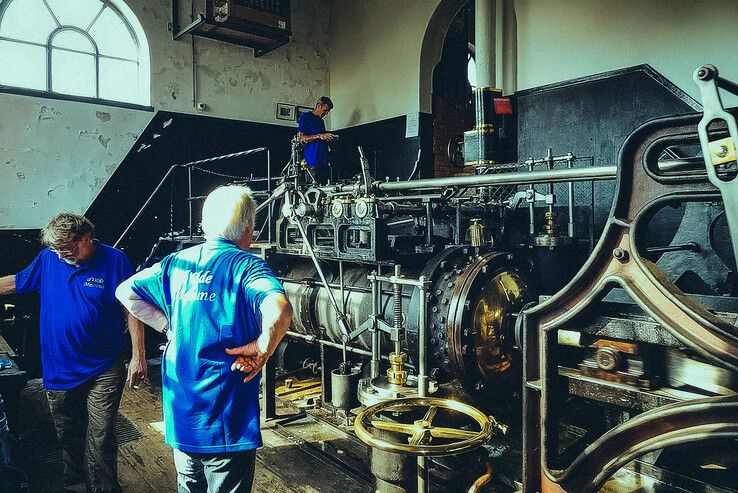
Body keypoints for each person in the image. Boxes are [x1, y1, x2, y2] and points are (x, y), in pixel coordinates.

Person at [115, 185, 293, 493]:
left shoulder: (175, 263)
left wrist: (166, 326)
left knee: (189, 485)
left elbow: (125, 292)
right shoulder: (246, 265)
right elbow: (280, 309)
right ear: (248, 228)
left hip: (182, 411)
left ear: (205, 224)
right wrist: (265, 346)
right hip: (224, 416)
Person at [0, 212, 147, 493]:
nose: (61, 255)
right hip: (59, 368)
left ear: (86, 239)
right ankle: (76, 484)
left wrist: (139, 355)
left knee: (101, 436)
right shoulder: (49, 259)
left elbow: (132, 307)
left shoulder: (115, 260)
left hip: (104, 366)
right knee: (68, 434)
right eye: (56, 250)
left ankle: (104, 489)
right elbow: (17, 282)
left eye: (67, 249)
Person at [298, 95, 338, 184]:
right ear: (319, 106)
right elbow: (301, 138)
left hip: (323, 161)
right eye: (325, 110)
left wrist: (329, 138)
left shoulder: (321, 121)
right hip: (312, 161)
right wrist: (320, 136)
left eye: (328, 111)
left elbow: (321, 137)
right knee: (312, 191)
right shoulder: (305, 117)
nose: (326, 114)